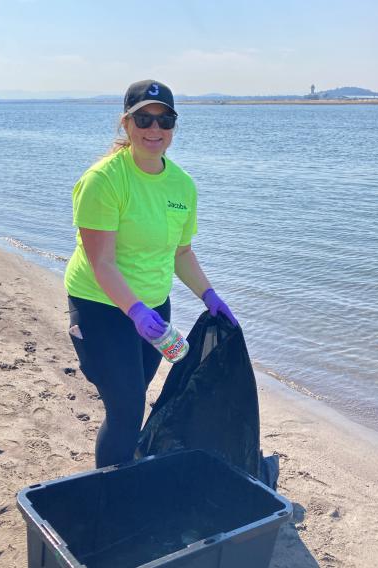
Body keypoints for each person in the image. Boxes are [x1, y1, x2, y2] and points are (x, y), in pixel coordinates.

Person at [64, 79, 237, 468]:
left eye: (165, 120)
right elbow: (101, 262)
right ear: (126, 124)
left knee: (134, 402)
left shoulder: (183, 185)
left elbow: (182, 252)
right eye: (143, 119)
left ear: (174, 126)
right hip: (101, 307)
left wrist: (209, 296)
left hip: (156, 312)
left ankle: (121, 477)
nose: (154, 130)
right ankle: (109, 494)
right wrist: (135, 311)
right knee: (126, 411)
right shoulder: (104, 180)